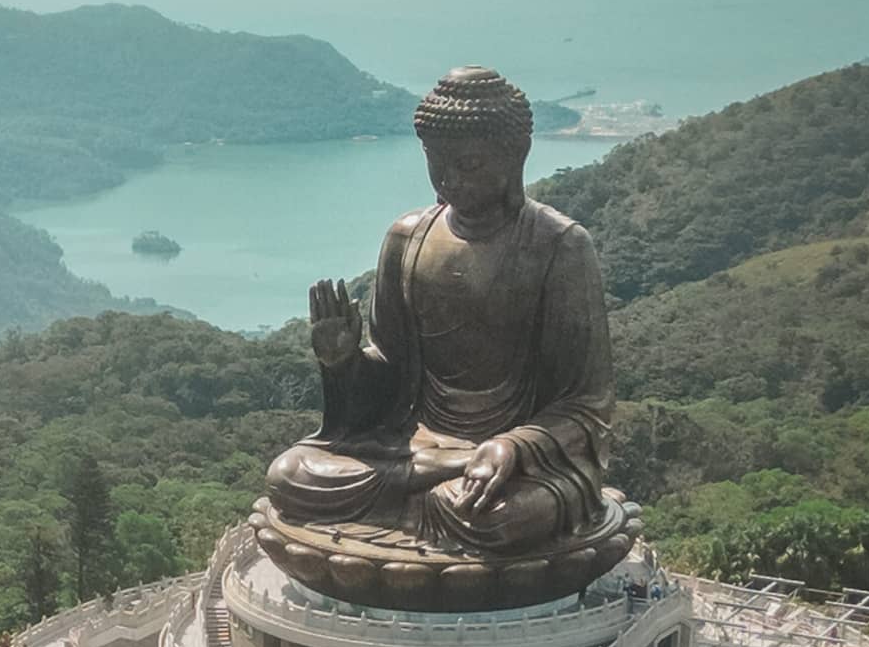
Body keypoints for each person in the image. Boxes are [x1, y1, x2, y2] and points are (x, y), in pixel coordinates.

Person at [263, 67, 615, 560]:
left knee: (492, 517)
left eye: (468, 163)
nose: (450, 179)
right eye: (437, 162)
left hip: (510, 460)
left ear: (514, 156)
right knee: (289, 475)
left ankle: (424, 501)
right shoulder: (408, 238)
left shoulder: (559, 247)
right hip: (414, 449)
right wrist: (344, 362)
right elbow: (390, 381)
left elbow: (586, 406)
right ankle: (425, 497)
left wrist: (511, 447)